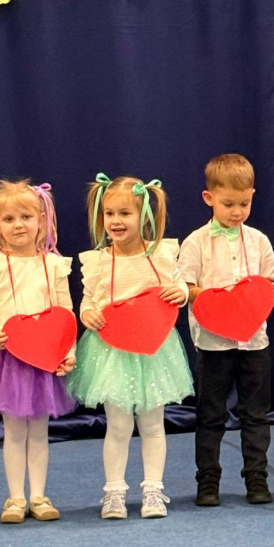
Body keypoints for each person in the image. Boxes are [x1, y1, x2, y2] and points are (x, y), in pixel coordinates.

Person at [68, 175, 192, 519]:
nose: (116, 221)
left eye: (125, 213)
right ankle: (114, 492)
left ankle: (153, 489)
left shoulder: (161, 254)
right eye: (109, 214)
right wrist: (87, 313)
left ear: (144, 215)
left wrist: (181, 293)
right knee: (119, 426)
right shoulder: (98, 261)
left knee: (152, 424)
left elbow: (178, 286)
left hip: (153, 349)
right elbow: (89, 300)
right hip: (111, 352)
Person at [178, 154, 274, 507]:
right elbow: (184, 287)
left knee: (256, 414)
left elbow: (269, 283)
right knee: (211, 414)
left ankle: (256, 478)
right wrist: (214, 298)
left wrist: (260, 295)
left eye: (244, 204)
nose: (237, 212)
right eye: (228, 204)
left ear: (253, 196)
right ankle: (208, 482)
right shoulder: (195, 242)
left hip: (254, 343)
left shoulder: (259, 241)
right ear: (209, 198)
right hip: (213, 344)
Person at [0, 180, 76, 523]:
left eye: (26, 217)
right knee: (15, 430)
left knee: (40, 431)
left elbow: (65, 313)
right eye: (9, 219)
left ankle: (39, 496)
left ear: (42, 221)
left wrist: (68, 351)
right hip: (8, 360)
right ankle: (15, 497)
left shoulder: (54, 265)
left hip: (44, 359)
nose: (18, 225)